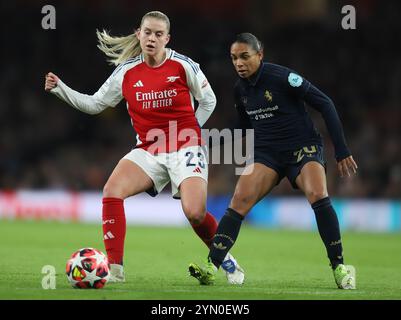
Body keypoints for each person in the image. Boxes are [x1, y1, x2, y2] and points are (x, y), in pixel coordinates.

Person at [44, 11, 244, 285]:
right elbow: (95, 104)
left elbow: (208, 101)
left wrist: (189, 131)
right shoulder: (126, 72)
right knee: (112, 191)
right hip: (149, 149)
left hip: (185, 146)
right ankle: (115, 271)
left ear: (167, 39)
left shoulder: (183, 66)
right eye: (147, 32)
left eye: (158, 34)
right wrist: (60, 89)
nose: (152, 38)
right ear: (139, 34)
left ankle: (228, 260)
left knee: (195, 212)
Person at [189, 33, 357, 289]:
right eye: (234, 58)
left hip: (302, 147)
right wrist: (207, 142)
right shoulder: (240, 90)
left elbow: (325, 104)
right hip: (267, 153)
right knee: (238, 201)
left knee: (317, 192)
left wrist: (342, 150)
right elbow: (241, 129)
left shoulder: (282, 78)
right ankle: (212, 266)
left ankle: (339, 266)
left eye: (245, 56)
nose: (239, 63)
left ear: (260, 54)